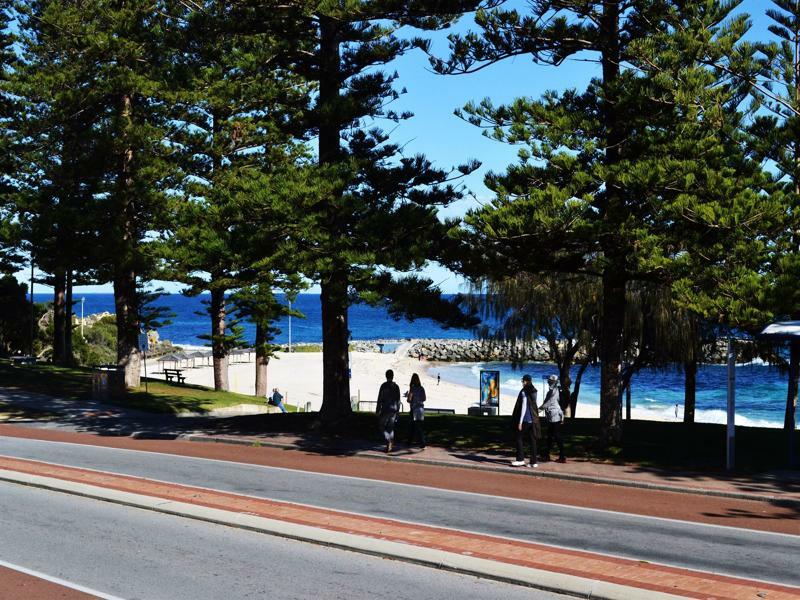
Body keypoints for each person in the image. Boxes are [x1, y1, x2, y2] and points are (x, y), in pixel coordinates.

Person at [511, 374, 540, 467]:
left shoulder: (524, 392)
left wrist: (520, 421)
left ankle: (520, 459)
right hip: (534, 419)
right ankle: (533, 462)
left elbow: (523, 407)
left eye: (523, 381)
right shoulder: (534, 390)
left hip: (526, 419)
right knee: (533, 440)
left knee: (518, 437)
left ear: (526, 381)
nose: (522, 383)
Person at [539, 375, 566, 463]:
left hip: (554, 416)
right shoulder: (555, 390)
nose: (548, 382)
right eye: (548, 380)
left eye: (550, 381)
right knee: (550, 436)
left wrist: (537, 411)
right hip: (553, 415)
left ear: (553, 382)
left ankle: (562, 456)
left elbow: (548, 403)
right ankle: (547, 455)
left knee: (556, 436)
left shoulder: (553, 391)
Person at [376, 369, 401, 453]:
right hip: (394, 410)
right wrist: (398, 410)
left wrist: (378, 409)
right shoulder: (396, 387)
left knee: (381, 426)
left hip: (385, 409)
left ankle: (388, 440)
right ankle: (389, 445)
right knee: (390, 428)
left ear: (386, 376)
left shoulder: (383, 386)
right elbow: (398, 400)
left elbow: (380, 398)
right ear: (392, 376)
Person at [407, 373, 426, 448]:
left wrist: (409, 398)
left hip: (414, 409)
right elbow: (424, 398)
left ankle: (421, 442)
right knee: (419, 426)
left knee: (413, 426)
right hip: (421, 408)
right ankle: (412, 441)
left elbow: (409, 399)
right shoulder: (421, 388)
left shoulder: (412, 388)